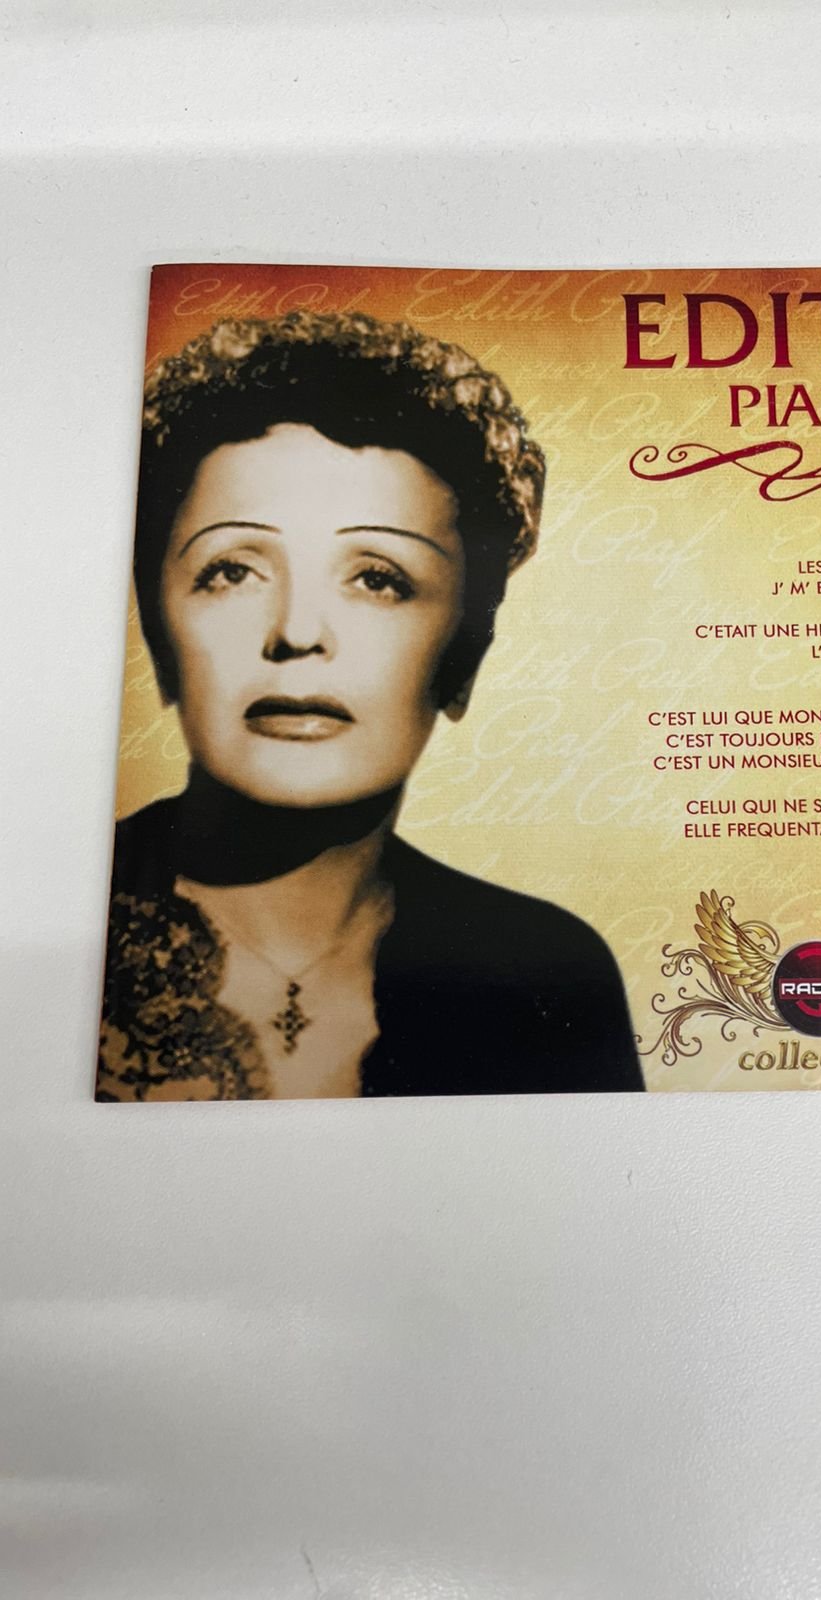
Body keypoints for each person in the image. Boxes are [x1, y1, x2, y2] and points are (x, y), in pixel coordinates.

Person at [97, 309, 643, 1101]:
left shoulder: (548, 975)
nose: (296, 633)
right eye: (232, 571)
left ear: (465, 656)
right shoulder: (47, 911)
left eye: (378, 579)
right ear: (157, 634)